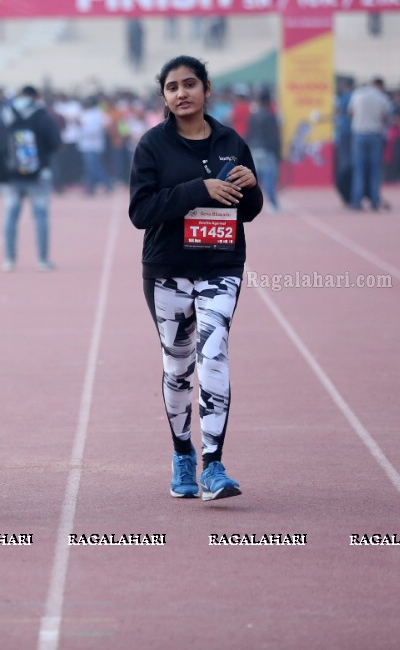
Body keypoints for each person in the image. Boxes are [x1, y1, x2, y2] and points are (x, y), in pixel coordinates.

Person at [129, 55, 263, 501]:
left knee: (215, 353)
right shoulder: (152, 145)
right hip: (167, 268)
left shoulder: (231, 141)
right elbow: (140, 212)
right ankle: (182, 453)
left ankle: (214, 464)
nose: (181, 93)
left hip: (221, 265)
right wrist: (197, 190)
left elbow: (250, 211)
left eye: (190, 84)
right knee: (178, 366)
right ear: (164, 96)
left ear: (207, 89)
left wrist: (252, 187)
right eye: (172, 87)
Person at [0, 85, 61, 272]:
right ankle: (42, 259)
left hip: (12, 174)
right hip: (38, 174)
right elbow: (55, 142)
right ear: (36, 97)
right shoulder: (42, 115)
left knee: (10, 216)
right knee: (40, 216)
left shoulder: (6, 114)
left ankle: (9, 259)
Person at [347, 77, 393, 211]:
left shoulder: (358, 94)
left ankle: (356, 201)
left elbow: (350, 113)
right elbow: (386, 118)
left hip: (359, 133)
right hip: (375, 134)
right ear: (381, 85)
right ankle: (374, 201)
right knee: (375, 170)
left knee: (359, 169)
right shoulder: (382, 98)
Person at [245, 91, 281, 211]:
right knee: (270, 177)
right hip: (267, 149)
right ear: (269, 101)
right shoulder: (270, 116)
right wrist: (278, 152)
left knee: (255, 179)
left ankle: (249, 204)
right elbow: (274, 136)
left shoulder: (253, 116)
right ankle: (273, 204)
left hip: (254, 149)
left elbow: (248, 133)